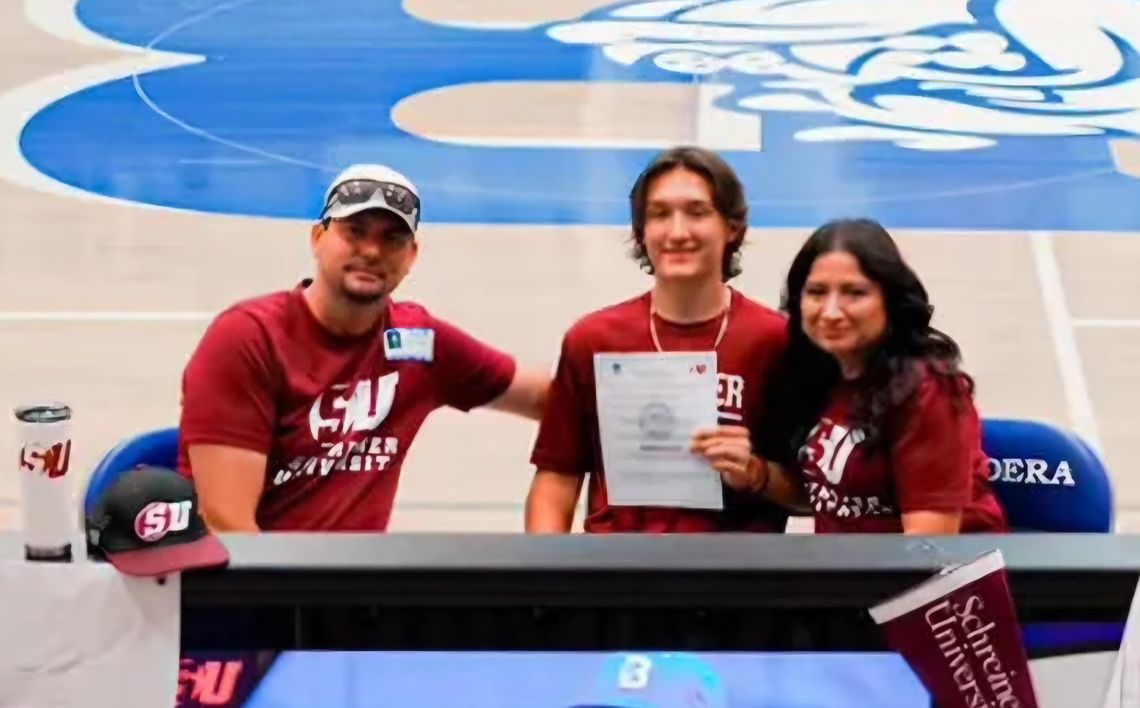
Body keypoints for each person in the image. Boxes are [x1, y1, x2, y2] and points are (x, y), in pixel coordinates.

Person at [177, 164, 549, 532]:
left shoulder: (418, 343)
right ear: (317, 237)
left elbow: (543, 396)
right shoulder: (250, 339)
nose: (372, 251)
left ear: (412, 256)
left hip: (357, 583)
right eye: (354, 232)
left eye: (392, 238)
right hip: (255, 583)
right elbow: (227, 525)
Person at [525, 146, 790, 533]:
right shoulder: (593, 339)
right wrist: (547, 585)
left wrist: (756, 472)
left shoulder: (775, 341)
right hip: (617, 579)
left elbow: (813, 493)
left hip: (736, 582)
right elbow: (556, 481)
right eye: (659, 214)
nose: (677, 232)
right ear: (641, 231)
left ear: (731, 228)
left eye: (697, 212)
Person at [752, 218, 1008, 534]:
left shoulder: (927, 390)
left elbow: (930, 548)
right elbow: (830, 496)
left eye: (854, 293)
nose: (831, 312)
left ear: (890, 300)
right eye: (817, 292)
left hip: (932, 578)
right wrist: (756, 473)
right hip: (855, 572)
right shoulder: (821, 372)